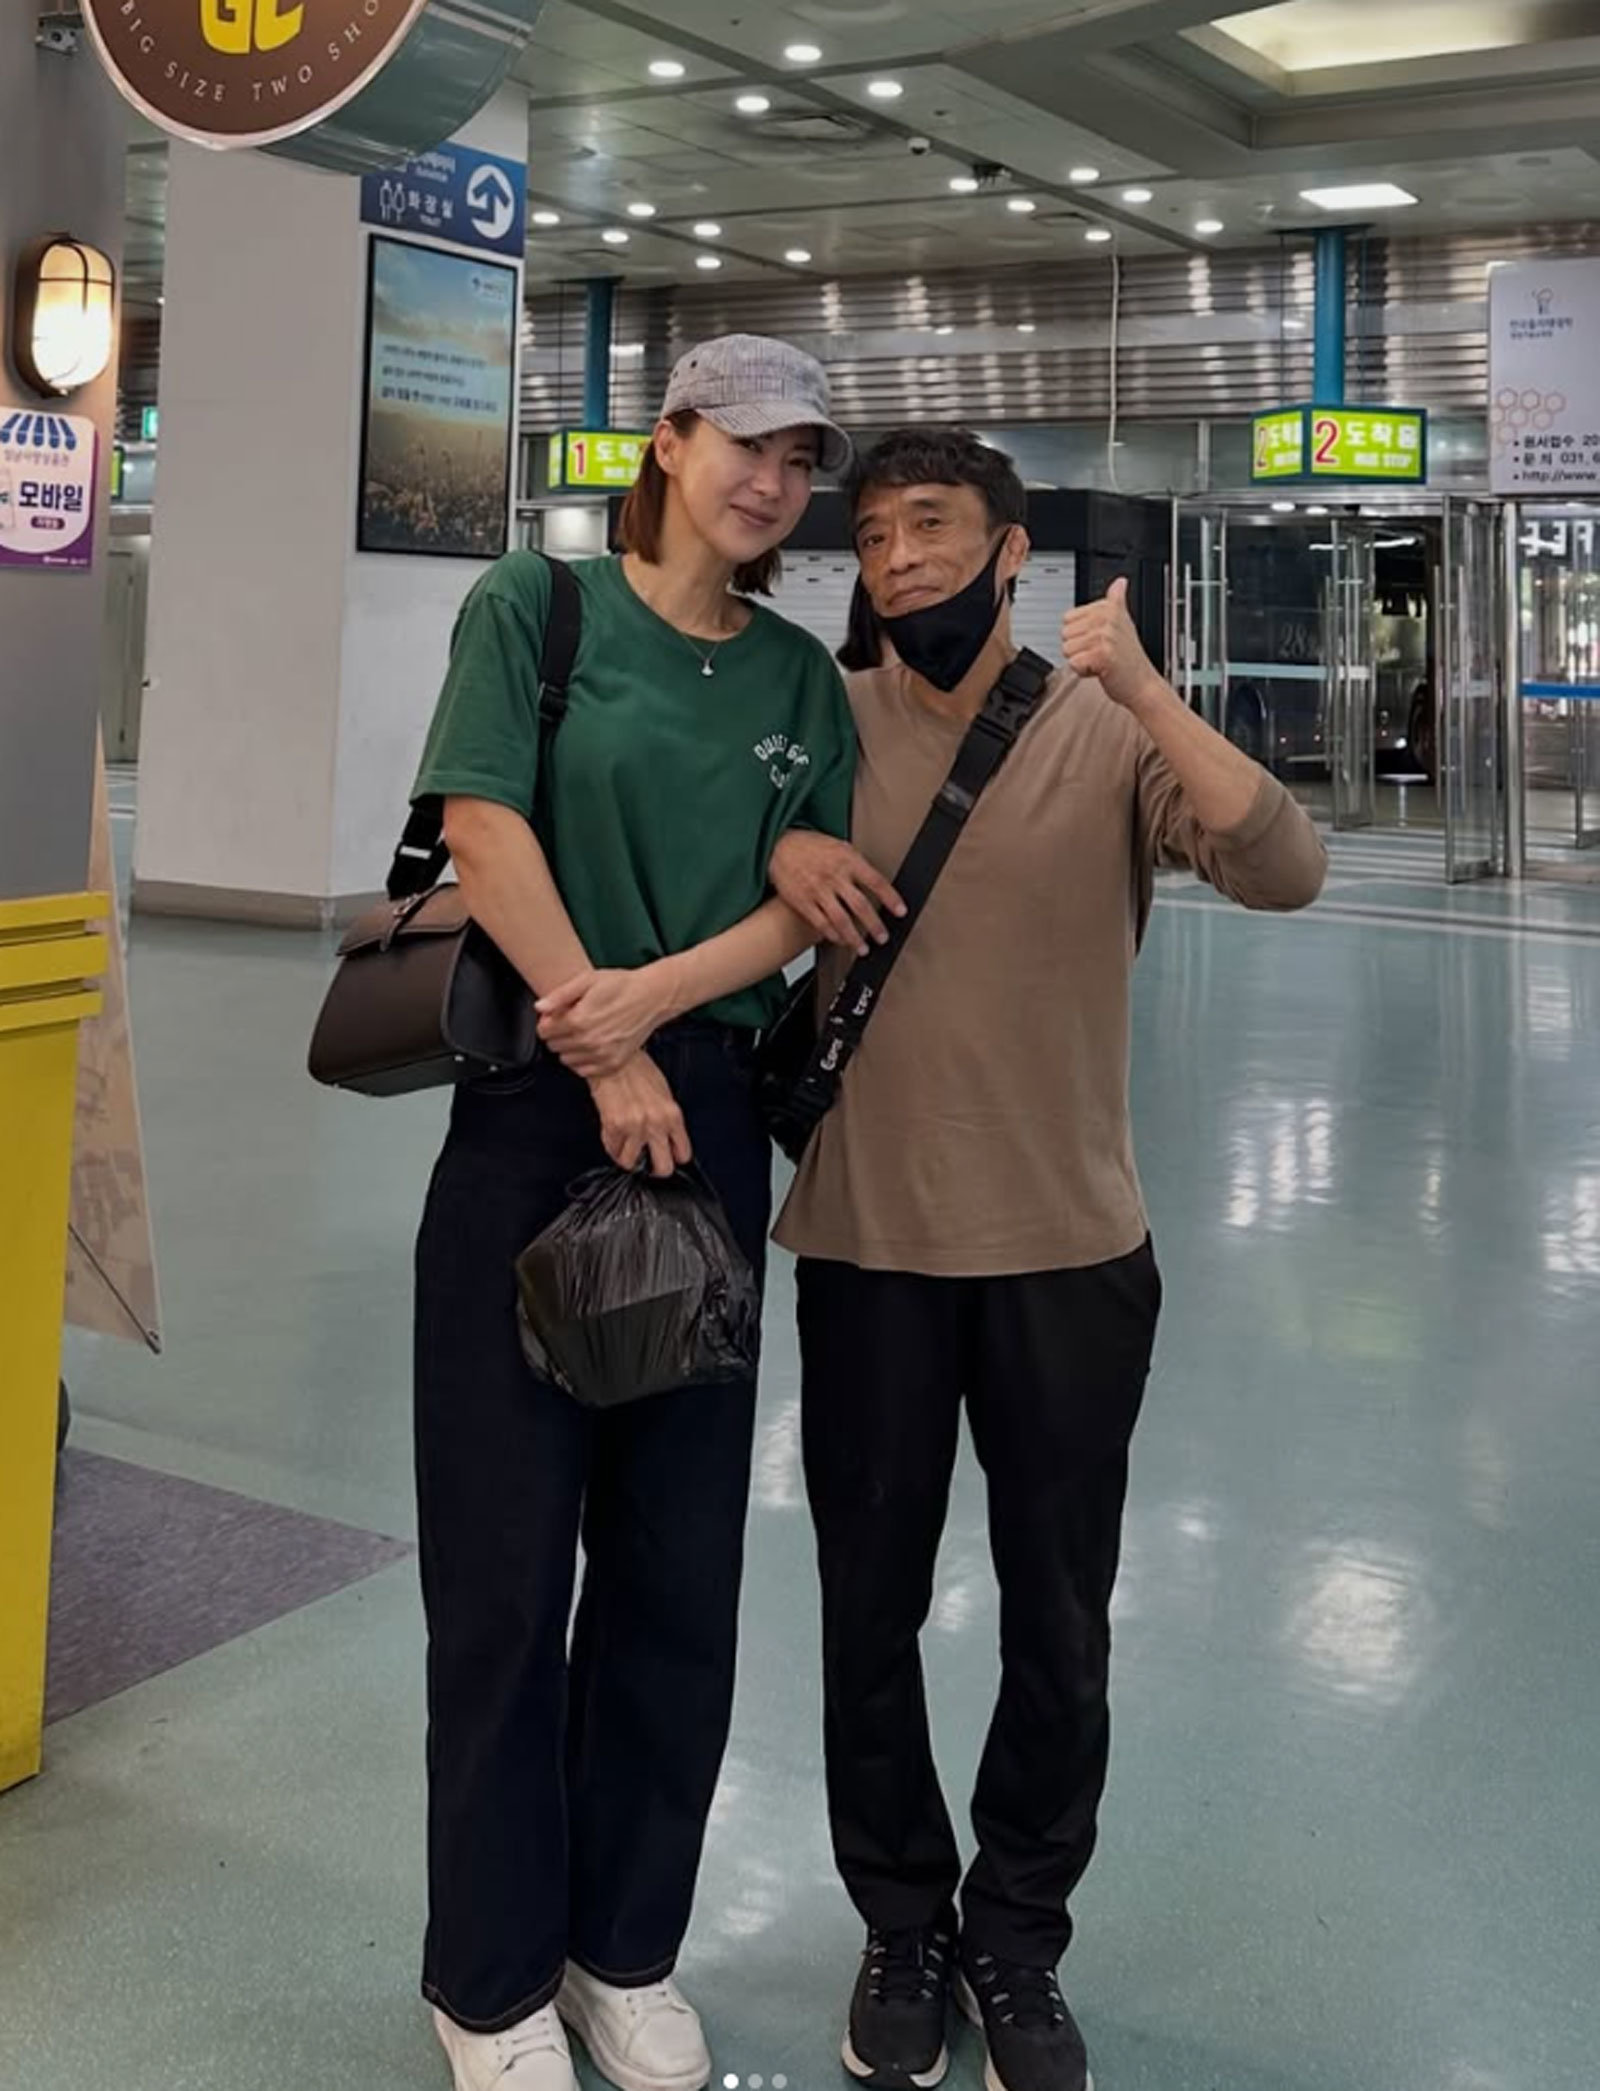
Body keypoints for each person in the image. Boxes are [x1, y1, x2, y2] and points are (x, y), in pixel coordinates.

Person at [769, 428, 1328, 2091]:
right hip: (868, 1246)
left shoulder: (1104, 728)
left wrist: (1145, 688)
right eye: (876, 536)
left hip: (1070, 1248)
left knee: (1060, 1622)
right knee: (867, 1611)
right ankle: (901, 1922)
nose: (900, 561)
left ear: (1014, 551)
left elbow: (1285, 867)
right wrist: (782, 851)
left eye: (933, 527)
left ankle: (1016, 1937)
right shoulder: (821, 721)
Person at [411, 336, 877, 2091]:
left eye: (802, 460)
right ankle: (486, 1980)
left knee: (679, 1565)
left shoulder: (798, 678)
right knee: (506, 1568)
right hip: (537, 1108)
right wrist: (600, 1040)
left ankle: (625, 1949)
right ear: (667, 443)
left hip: (709, 1119)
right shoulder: (537, 609)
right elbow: (483, 830)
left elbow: (808, 901)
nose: (774, 482)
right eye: (746, 444)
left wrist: (657, 1011)